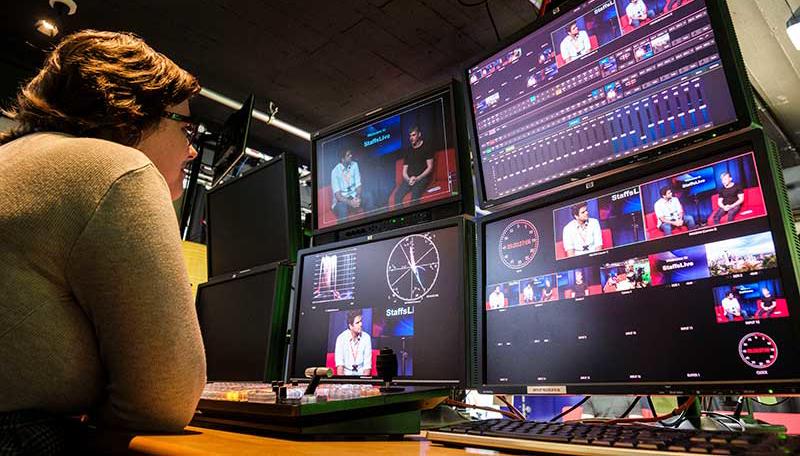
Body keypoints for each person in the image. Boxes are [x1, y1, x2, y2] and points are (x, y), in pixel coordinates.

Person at [0, 30, 206, 451]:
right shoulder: (116, 168)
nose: (192, 151)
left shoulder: (15, 157)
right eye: (187, 128)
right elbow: (163, 400)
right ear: (134, 112)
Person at [393, 125, 435, 205]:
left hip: (421, 178)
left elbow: (430, 167)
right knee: (397, 196)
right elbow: (404, 171)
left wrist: (418, 178)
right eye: (410, 136)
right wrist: (408, 179)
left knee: (415, 196)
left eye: (413, 135)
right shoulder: (408, 151)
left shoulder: (427, 147)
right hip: (409, 179)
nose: (411, 138)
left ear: (419, 134)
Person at [334, 310, 373, 376]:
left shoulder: (366, 338)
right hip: (345, 378)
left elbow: (367, 366)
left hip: (362, 378)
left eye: (361, 321)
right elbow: (340, 367)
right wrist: (343, 383)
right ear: (350, 326)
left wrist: (363, 384)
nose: (361, 324)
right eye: (357, 322)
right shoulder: (341, 338)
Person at [330, 149, 362, 220]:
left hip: (354, 197)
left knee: (368, 196)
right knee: (342, 207)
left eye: (350, 154)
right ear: (342, 159)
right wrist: (350, 202)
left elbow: (358, 184)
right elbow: (338, 196)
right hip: (342, 201)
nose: (351, 156)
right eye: (348, 155)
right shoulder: (335, 172)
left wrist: (358, 197)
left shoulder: (355, 164)